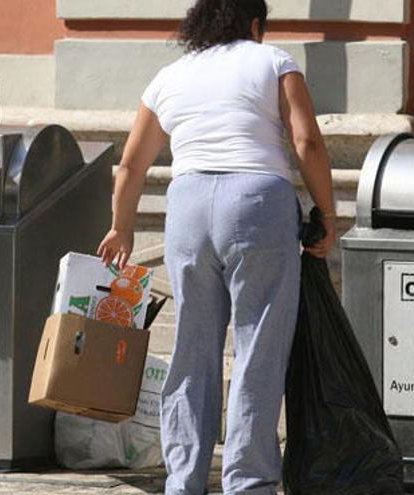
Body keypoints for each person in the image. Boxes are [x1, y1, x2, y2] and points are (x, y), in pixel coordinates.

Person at [97, 0, 336, 493]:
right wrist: (327, 215)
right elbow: (307, 141)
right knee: (258, 350)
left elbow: (130, 166)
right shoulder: (274, 63)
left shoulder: (170, 76)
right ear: (254, 24)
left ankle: (184, 481)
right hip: (256, 203)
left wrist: (121, 227)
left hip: (186, 208)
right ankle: (247, 482)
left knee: (192, 349)